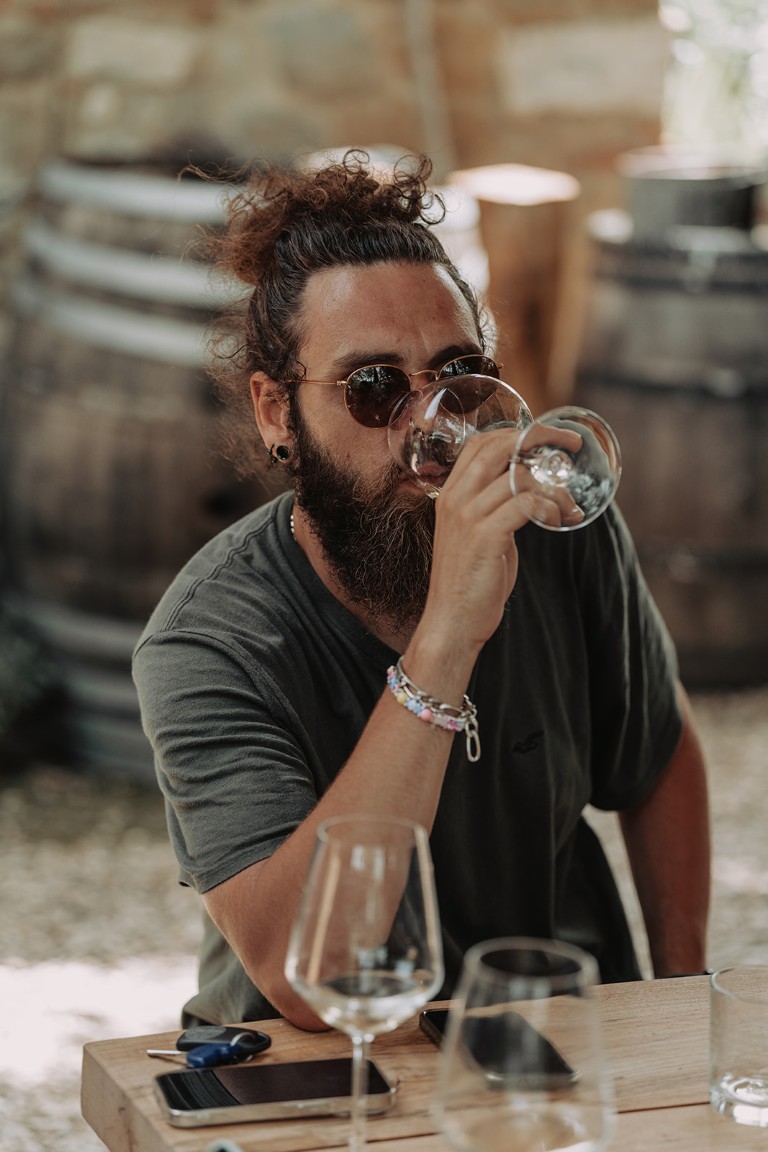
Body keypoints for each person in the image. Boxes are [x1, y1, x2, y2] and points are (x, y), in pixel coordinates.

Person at [132, 150, 711, 1030]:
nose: (426, 426)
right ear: (276, 411)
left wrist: (680, 998)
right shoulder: (210, 637)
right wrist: (446, 640)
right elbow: (307, 978)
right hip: (324, 1066)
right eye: (374, 389)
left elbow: (658, 750)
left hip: (550, 1022)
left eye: (456, 376)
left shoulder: (554, 525)